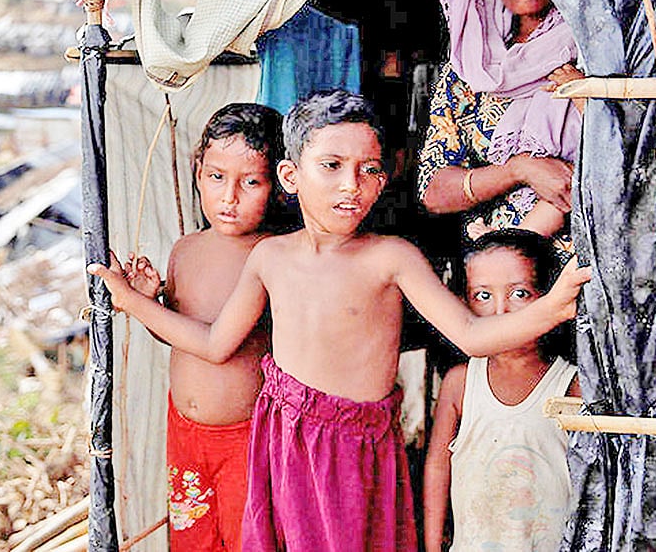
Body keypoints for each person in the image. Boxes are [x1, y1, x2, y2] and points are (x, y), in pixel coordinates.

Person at [90, 90, 589, 552]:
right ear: (291, 177)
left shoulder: (391, 258)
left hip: (354, 450)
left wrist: (550, 308)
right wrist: (137, 303)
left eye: (368, 169)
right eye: (331, 166)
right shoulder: (269, 257)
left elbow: (470, 333)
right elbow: (217, 342)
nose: (351, 185)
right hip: (282, 441)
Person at [121, 102, 285, 552]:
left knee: (247, 540)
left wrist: (134, 304)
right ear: (197, 171)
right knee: (193, 541)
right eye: (216, 177)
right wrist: (153, 300)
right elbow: (179, 335)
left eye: (250, 182)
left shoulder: (272, 255)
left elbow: (218, 347)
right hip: (186, 432)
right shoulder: (185, 250)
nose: (229, 197)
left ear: (278, 184)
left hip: (245, 436)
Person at [418, 0, 585, 244]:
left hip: (591, 273)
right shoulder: (467, 70)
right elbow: (433, 191)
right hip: (495, 278)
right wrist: (519, 170)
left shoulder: (597, 48)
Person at [422, 229, 580, 552]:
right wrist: (432, 543)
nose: (499, 312)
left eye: (519, 294)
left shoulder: (571, 384)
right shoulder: (461, 384)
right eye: (483, 296)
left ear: (548, 297)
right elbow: (438, 466)